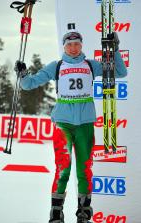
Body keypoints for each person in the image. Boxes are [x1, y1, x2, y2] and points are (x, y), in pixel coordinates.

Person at [15, 30, 127, 223]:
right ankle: (56, 214)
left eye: (77, 44)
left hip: (85, 124)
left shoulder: (91, 65)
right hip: (63, 124)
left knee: (84, 169)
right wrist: (23, 74)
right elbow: (28, 84)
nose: (73, 48)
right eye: (69, 44)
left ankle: (83, 213)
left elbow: (120, 72)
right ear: (64, 46)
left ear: (81, 45)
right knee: (63, 168)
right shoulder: (57, 66)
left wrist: (114, 50)